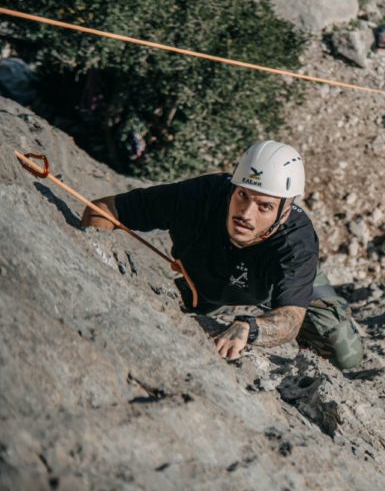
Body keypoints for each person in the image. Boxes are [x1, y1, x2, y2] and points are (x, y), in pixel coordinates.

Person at [80, 140, 363, 370]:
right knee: (200, 299)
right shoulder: (198, 196)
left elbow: (290, 320)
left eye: (264, 206)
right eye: (242, 196)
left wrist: (251, 328)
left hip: (276, 280)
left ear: (284, 211)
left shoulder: (296, 243)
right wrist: (91, 258)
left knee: (344, 354)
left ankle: (295, 297)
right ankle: (220, 300)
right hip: (208, 282)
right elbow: (102, 210)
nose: (246, 214)